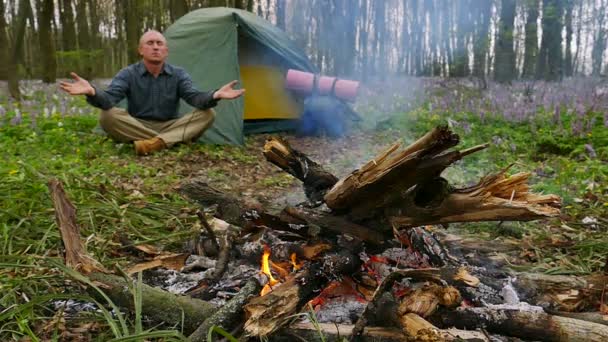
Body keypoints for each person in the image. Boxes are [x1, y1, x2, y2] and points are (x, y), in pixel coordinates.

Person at [60, 30, 245, 155]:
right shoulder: (128, 74)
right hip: (137, 125)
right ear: (141, 50)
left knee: (208, 113)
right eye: (150, 43)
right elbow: (109, 100)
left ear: (166, 51)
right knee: (107, 115)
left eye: (159, 43)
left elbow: (194, 97)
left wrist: (215, 95)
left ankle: (154, 143)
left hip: (170, 125)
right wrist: (92, 91)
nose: (155, 47)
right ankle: (166, 142)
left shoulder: (178, 74)